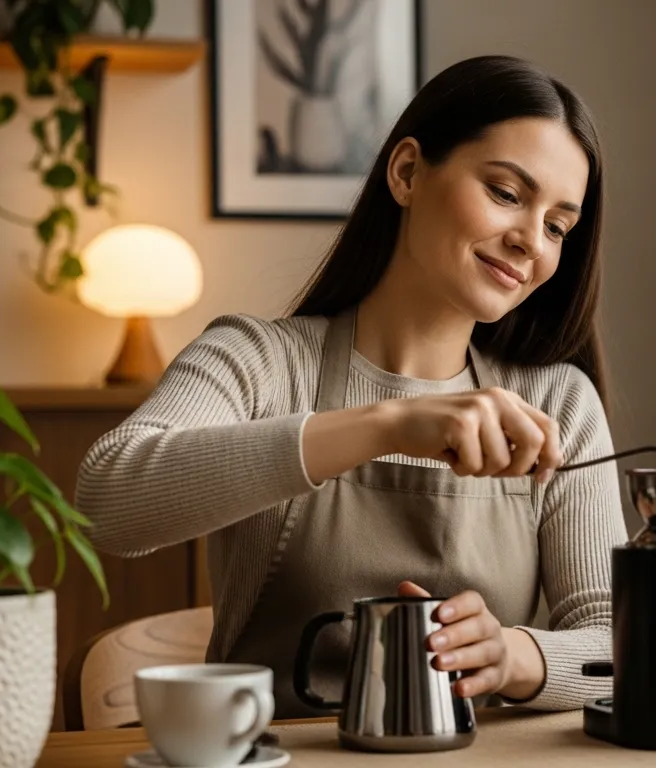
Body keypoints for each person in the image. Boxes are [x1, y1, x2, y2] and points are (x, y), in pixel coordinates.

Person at [74, 54, 628, 718]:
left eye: (558, 226)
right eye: (507, 194)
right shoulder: (259, 361)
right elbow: (107, 503)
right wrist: (387, 425)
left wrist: (513, 656)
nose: (531, 242)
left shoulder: (557, 403)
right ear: (407, 172)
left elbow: (620, 644)